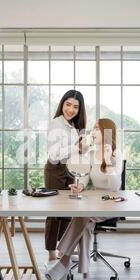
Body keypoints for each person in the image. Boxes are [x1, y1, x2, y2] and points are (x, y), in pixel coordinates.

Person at [45, 118, 123, 280]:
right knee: (85, 221)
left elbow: (115, 185)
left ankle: (64, 260)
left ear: (106, 132)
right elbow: (86, 179)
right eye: (93, 129)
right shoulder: (90, 153)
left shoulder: (115, 154)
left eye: (96, 129)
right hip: (94, 202)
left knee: (83, 217)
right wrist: (79, 186)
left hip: (111, 202)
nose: (92, 132)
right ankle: (85, 278)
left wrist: (107, 161)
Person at [44, 89, 87, 270]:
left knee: (68, 212)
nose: (71, 109)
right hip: (55, 169)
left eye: (75, 107)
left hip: (70, 169)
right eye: (68, 104)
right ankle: (51, 253)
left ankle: (63, 249)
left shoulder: (74, 126)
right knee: (55, 213)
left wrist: (84, 148)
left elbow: (77, 152)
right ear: (62, 104)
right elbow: (54, 154)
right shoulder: (56, 124)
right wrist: (75, 146)